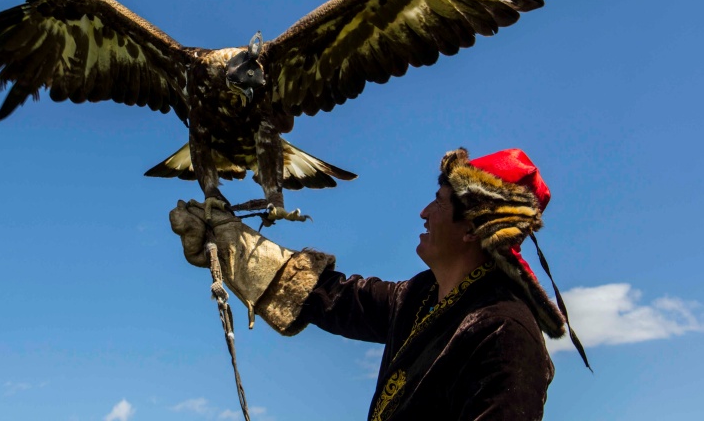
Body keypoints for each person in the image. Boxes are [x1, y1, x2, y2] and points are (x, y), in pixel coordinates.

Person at [170, 147, 582, 420]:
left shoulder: (504, 331)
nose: (424, 212)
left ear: (473, 228)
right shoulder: (423, 297)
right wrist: (232, 241)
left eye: (438, 202)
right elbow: (331, 296)